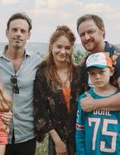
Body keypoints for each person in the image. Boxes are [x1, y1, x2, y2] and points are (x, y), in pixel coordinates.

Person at [76, 14, 120, 155]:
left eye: (90, 31)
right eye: (82, 34)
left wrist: (95, 104)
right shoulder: (85, 63)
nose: (86, 37)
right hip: (96, 138)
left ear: (102, 30)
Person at [0, 12, 42, 155]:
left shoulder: (37, 62)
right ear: (7, 32)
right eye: (14, 30)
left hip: (26, 134)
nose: (18, 34)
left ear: (28, 35)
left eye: (23, 31)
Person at [76, 52, 120, 155]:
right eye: (92, 73)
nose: (97, 76)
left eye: (101, 72)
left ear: (111, 71)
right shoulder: (84, 99)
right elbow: (80, 132)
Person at [33, 25, 81, 155]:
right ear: (51, 47)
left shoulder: (78, 73)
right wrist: (58, 142)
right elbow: (41, 110)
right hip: (57, 139)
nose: (63, 51)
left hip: (81, 136)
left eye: (67, 48)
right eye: (59, 46)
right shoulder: (42, 74)